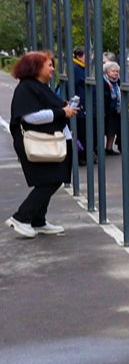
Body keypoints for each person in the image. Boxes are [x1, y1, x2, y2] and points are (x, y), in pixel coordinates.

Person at [8, 52, 77, 238]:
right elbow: (30, 116)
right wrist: (61, 112)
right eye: (49, 65)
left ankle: (38, 220)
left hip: (51, 140)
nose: (53, 69)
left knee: (53, 178)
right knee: (49, 180)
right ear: (36, 67)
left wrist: (64, 110)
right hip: (37, 142)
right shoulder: (26, 88)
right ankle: (21, 217)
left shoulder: (40, 86)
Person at [102, 61, 123, 155]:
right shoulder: (103, 81)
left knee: (113, 129)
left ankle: (109, 148)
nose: (115, 73)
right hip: (105, 109)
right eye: (113, 71)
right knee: (103, 129)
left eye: (117, 71)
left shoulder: (118, 81)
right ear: (106, 72)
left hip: (116, 109)